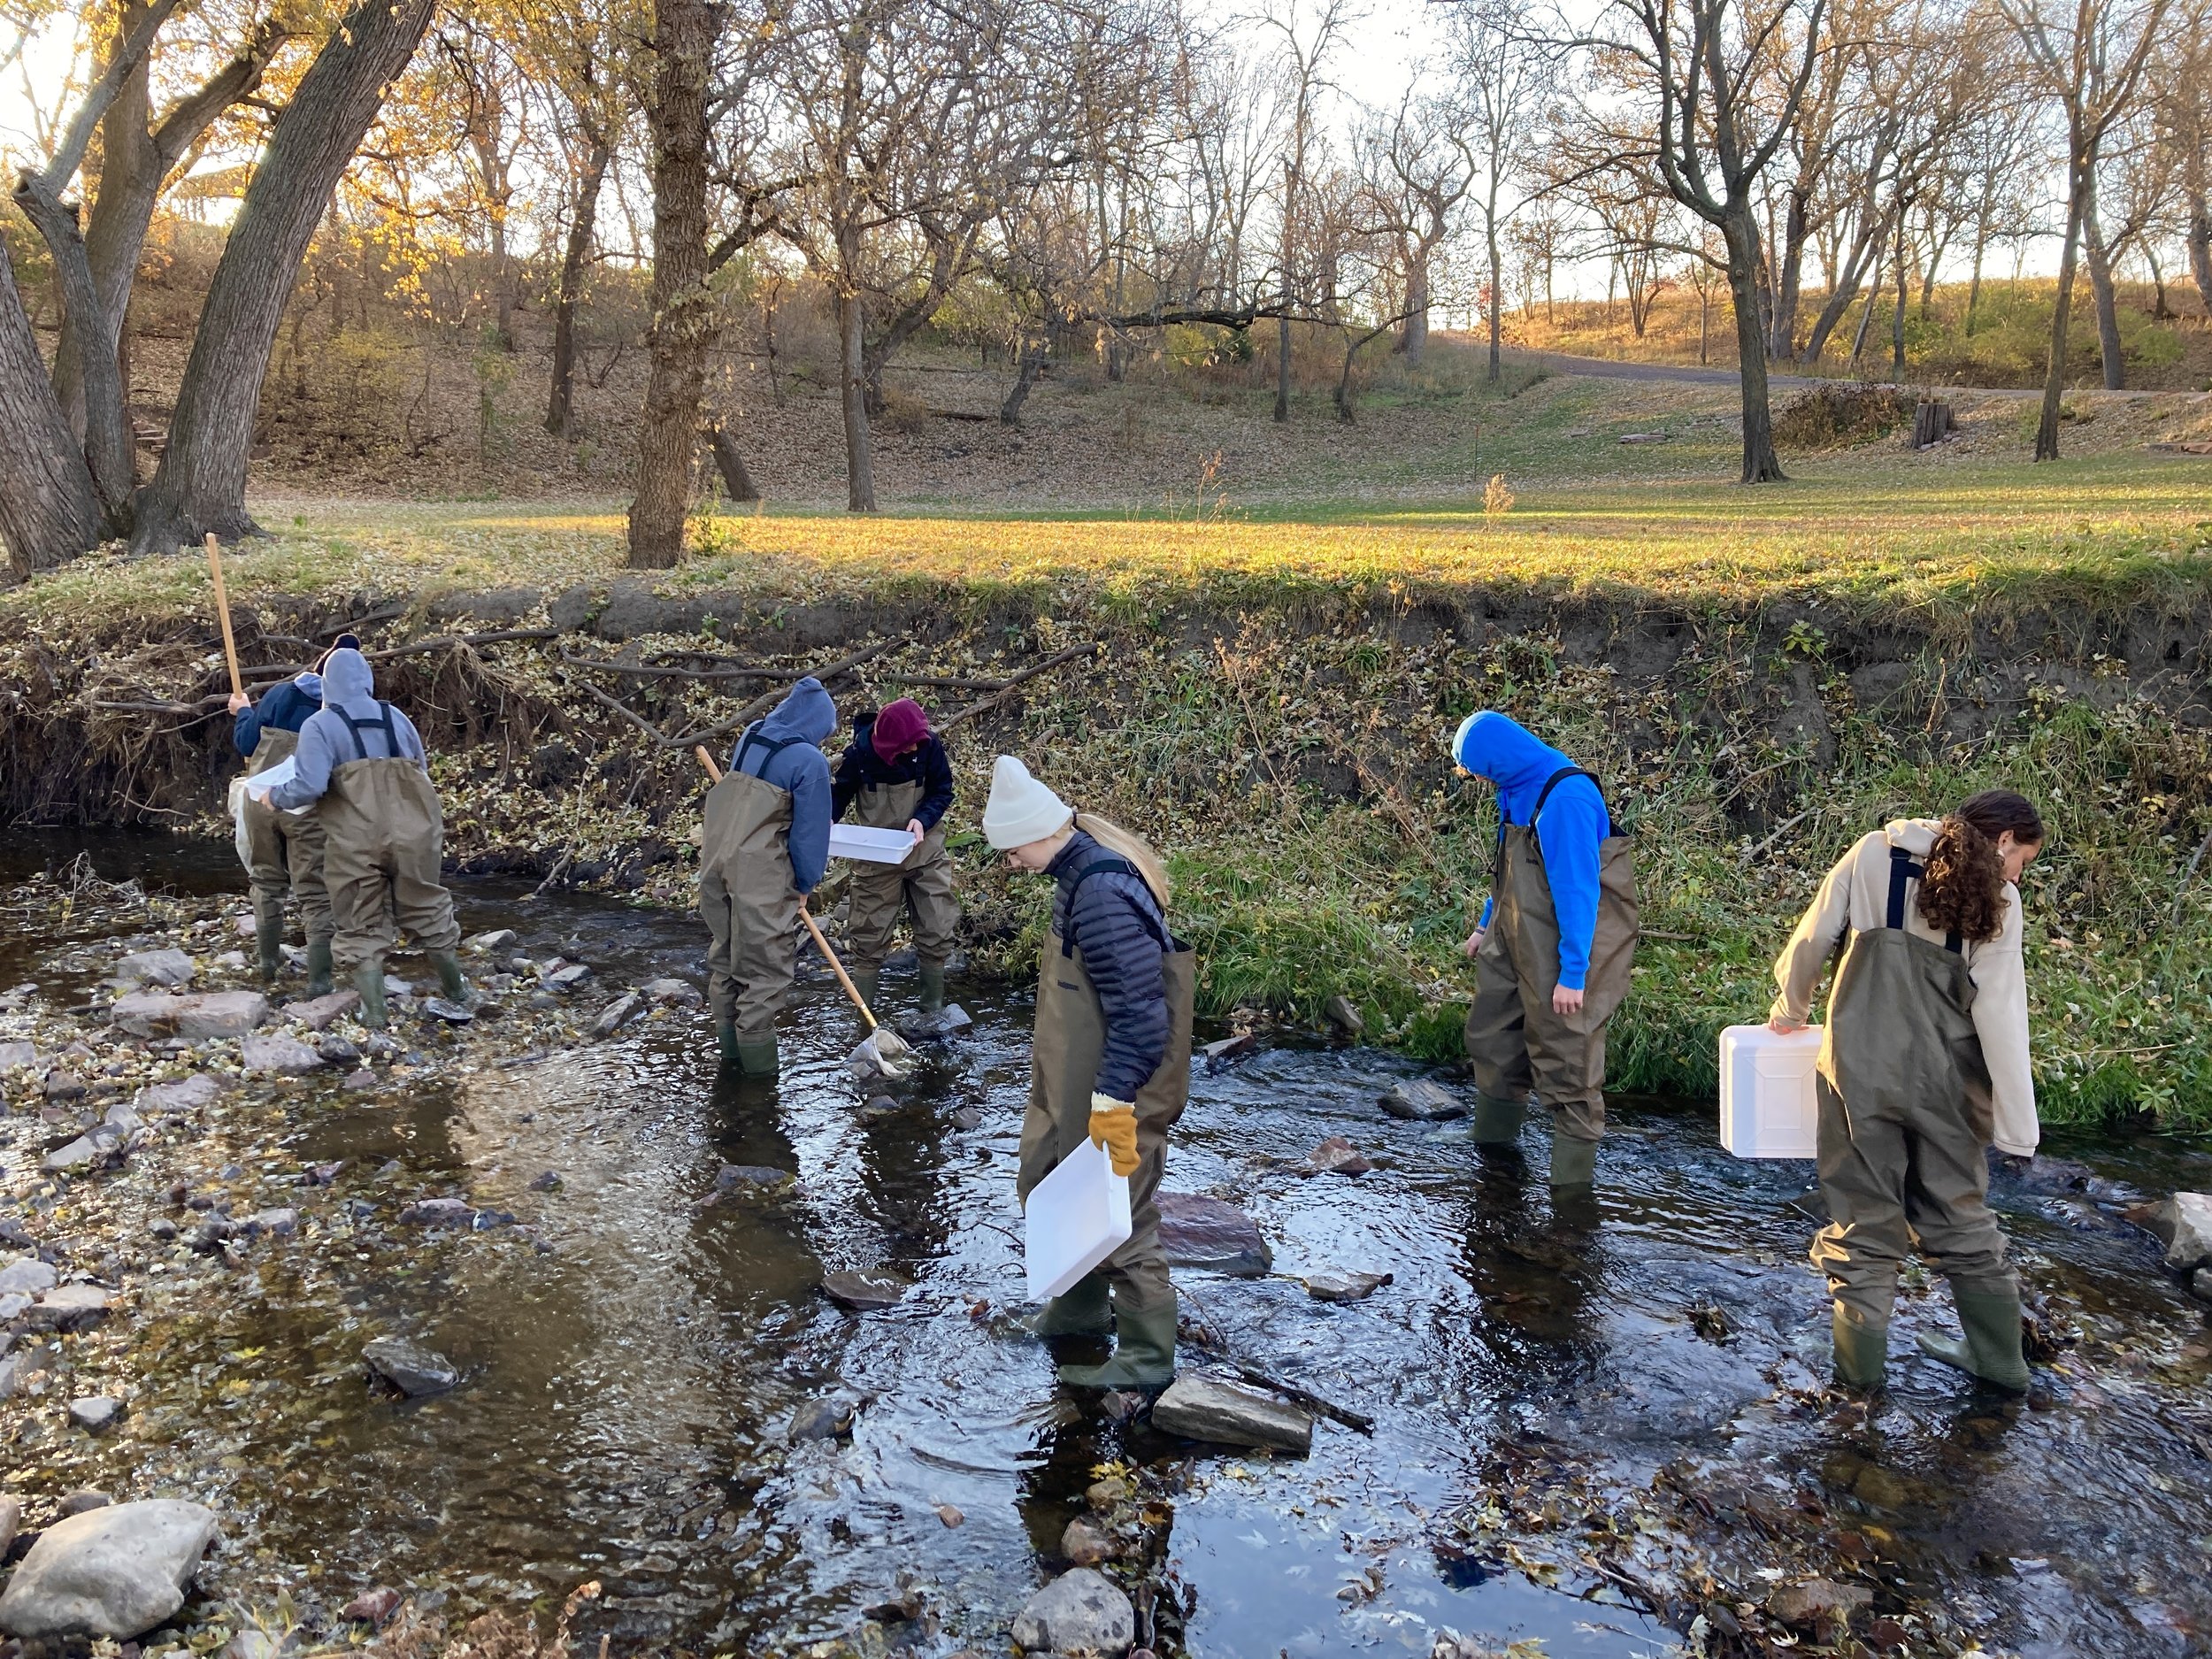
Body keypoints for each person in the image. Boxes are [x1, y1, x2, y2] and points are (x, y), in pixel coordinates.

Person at [1770, 791, 2045, 1394]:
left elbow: (1814, 939)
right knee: (1959, 1214)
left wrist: (1791, 1005)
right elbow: (2000, 1012)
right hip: (1947, 1083)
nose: (2021, 872)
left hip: (1858, 1073)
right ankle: (1998, 1360)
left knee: (1864, 1225)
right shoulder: (2001, 899)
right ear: (2003, 841)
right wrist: (2018, 1128)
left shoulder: (1874, 853)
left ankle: (1858, 1382)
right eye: (2023, 857)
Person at [984, 756, 1194, 1389]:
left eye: (1011, 849)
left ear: (1037, 832)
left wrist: (1113, 1103)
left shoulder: (1100, 893)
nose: (1010, 863)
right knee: (1049, 1184)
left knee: (1116, 1218)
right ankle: (1076, 1315)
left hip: (1119, 1086)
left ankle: (1147, 1357)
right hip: (1077, 1079)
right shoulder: (1076, 876)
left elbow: (1140, 1014)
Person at [1452, 712, 1639, 1188]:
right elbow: (1509, 874)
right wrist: (1484, 926)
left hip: (1569, 944)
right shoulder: (1513, 787)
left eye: (1472, 768)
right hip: (1513, 938)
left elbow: (1578, 893)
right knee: (1493, 1037)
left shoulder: (1566, 799)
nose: (1472, 777)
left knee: (1566, 1057)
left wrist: (1574, 972)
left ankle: (1571, 1197)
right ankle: (1493, 1157)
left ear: (1494, 760)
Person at [256, 647, 469, 1027]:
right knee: (427, 907)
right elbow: (420, 769)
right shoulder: (397, 716)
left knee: (359, 921)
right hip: (416, 832)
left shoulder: (320, 725)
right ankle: (459, 993)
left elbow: (309, 785)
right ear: (367, 681)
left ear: (327, 686)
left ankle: (376, 1018)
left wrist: (275, 796)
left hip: (356, 838)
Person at [700, 677, 836, 1077]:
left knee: (726, 961)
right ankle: (759, 1089)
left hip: (716, 863)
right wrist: (805, 885)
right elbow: (810, 836)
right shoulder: (810, 762)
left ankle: (731, 1066)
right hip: (759, 877)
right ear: (817, 725)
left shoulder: (752, 735)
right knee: (764, 974)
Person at [227, 635, 355, 995]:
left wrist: (244, 712)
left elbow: (246, 743)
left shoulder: (280, 695)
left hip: (260, 801)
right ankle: (319, 984)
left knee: (266, 883)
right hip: (309, 809)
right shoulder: (346, 711)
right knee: (314, 893)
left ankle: (267, 969)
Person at [831, 697, 958, 1020]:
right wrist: (827, 819)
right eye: (908, 747)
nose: (915, 750)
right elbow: (840, 793)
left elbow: (943, 789)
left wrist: (923, 819)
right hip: (876, 857)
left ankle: (933, 1011)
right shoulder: (859, 757)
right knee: (868, 935)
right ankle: (864, 1019)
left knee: (936, 925)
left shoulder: (929, 746)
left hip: (924, 849)